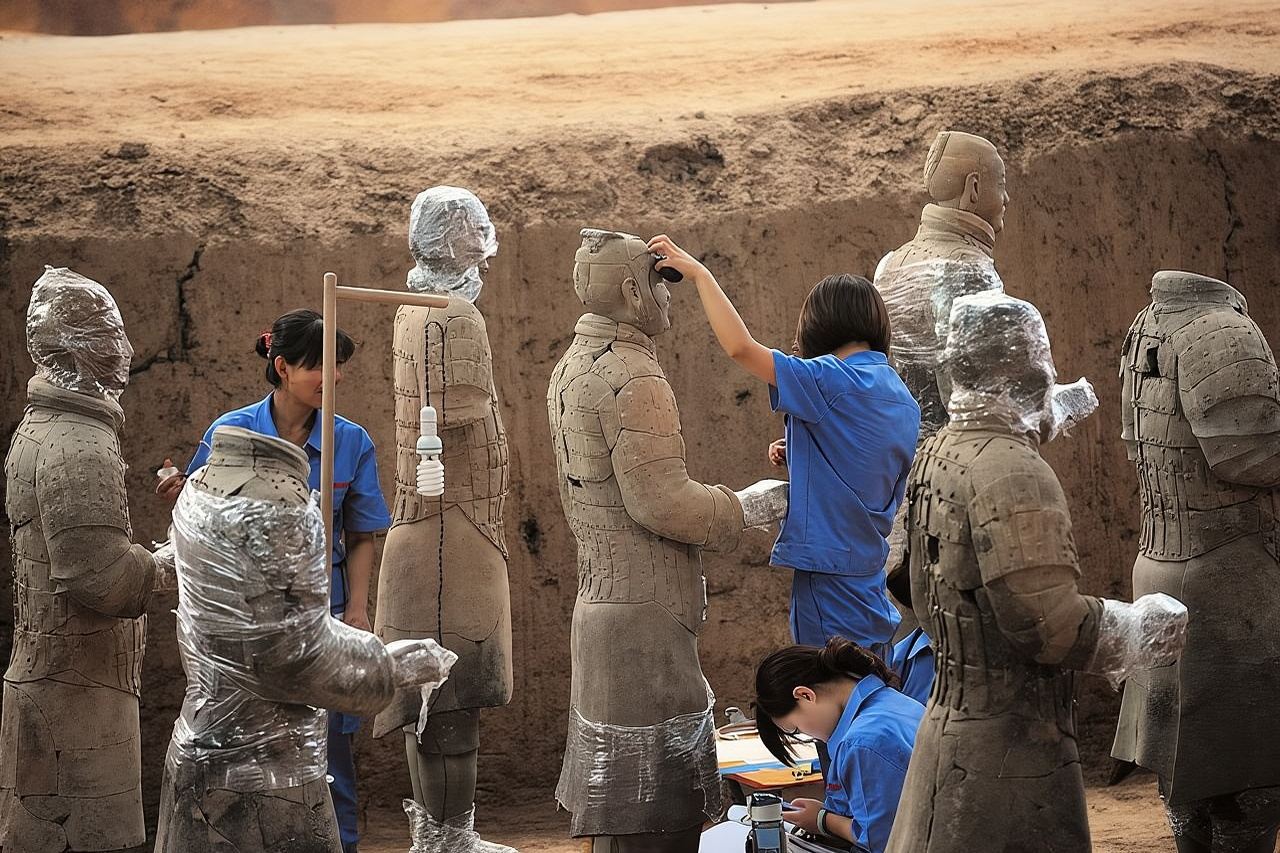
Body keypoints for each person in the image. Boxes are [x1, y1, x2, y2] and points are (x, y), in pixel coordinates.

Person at [156, 308, 390, 853]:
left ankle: (342, 844)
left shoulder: (350, 442)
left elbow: (361, 535)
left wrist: (356, 610)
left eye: (338, 367)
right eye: (321, 366)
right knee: (239, 753)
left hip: (319, 614)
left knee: (330, 755)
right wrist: (181, 491)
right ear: (282, 366)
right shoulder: (230, 433)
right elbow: (201, 519)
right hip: (243, 627)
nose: (333, 378)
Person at [646, 235, 920, 658]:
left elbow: (741, 348)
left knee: (830, 692)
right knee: (869, 680)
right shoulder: (899, 395)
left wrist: (700, 274)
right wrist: (805, 452)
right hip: (866, 571)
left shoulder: (830, 378)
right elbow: (864, 462)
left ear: (819, 325)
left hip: (827, 575)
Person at [754, 637, 925, 853]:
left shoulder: (862, 743)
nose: (807, 735)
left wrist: (822, 820)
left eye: (795, 728)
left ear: (805, 695)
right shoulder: (894, 702)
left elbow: (880, 842)